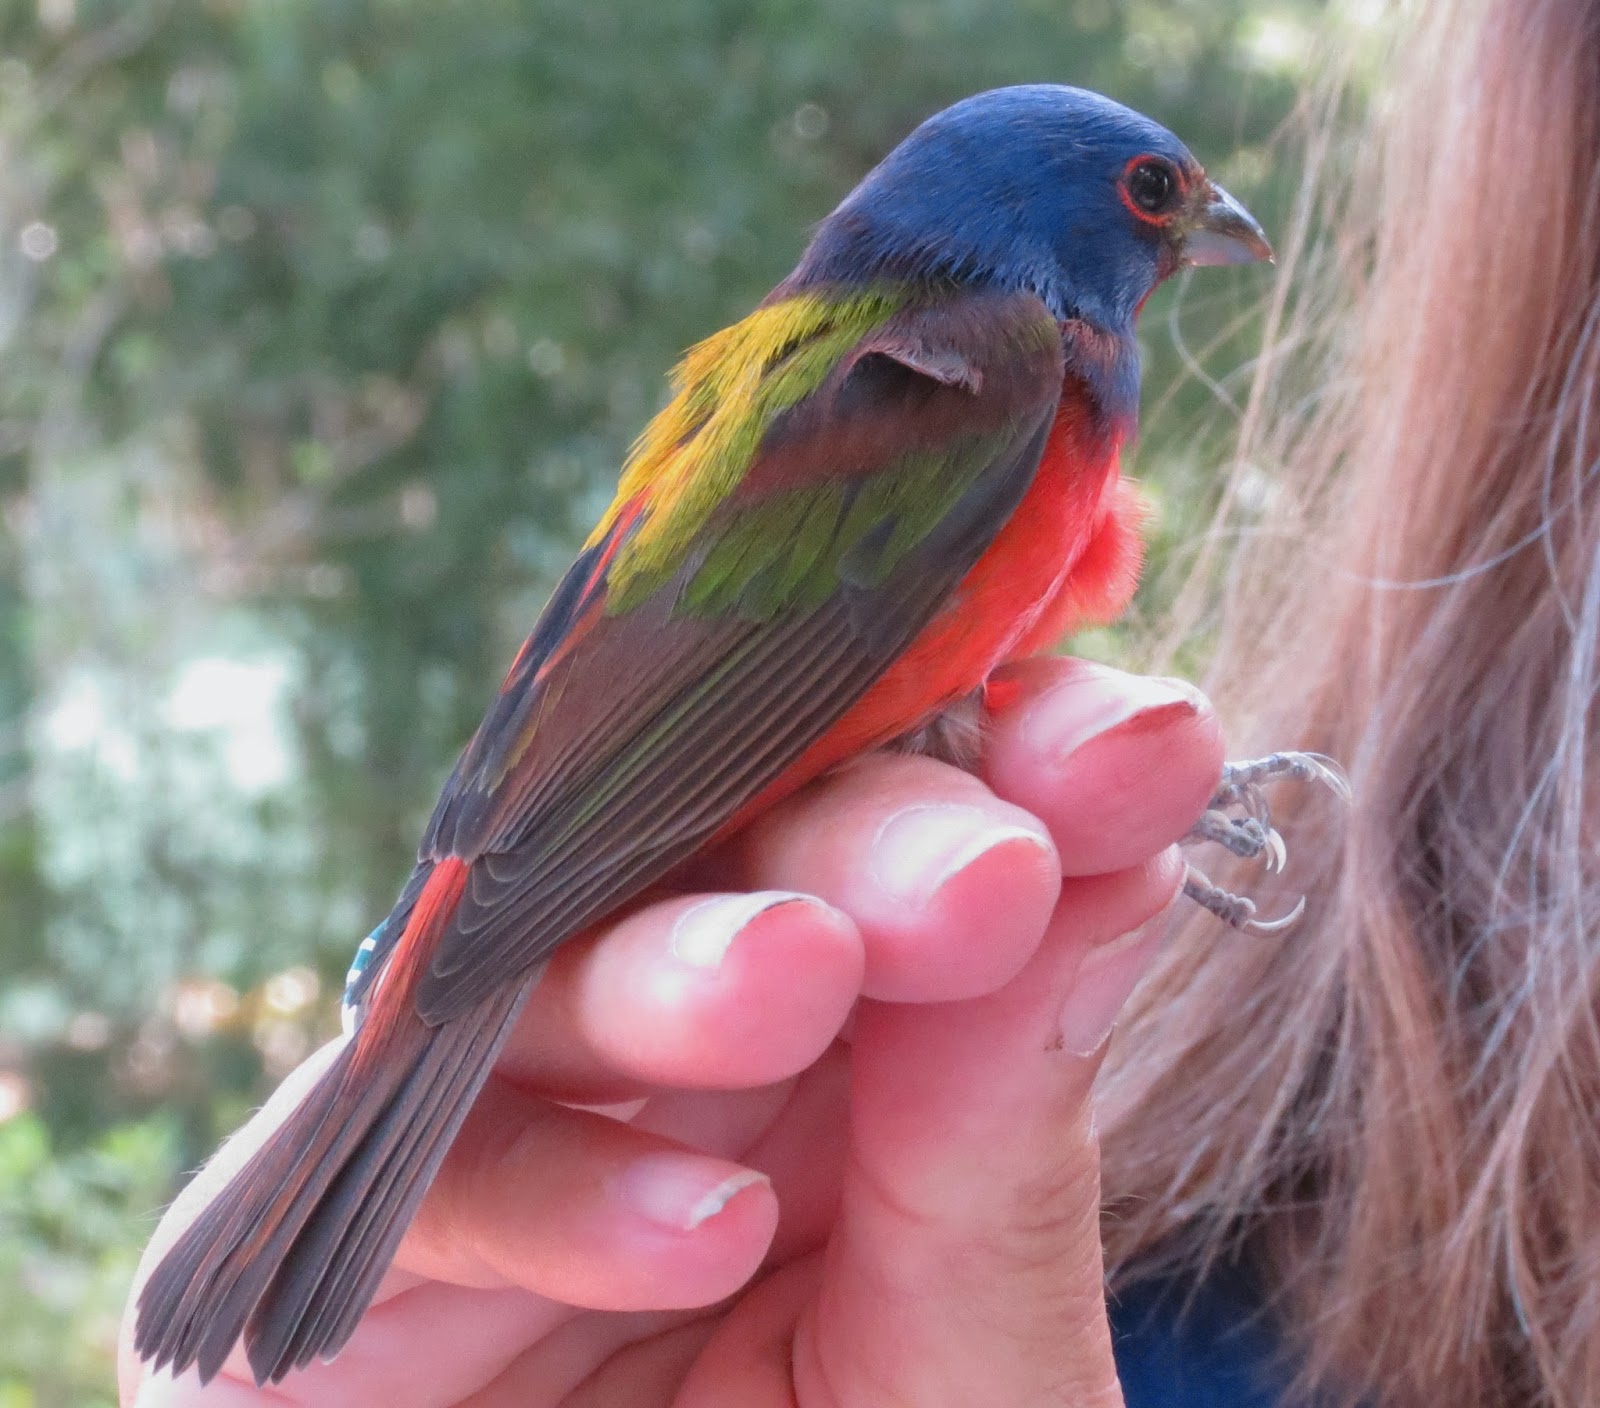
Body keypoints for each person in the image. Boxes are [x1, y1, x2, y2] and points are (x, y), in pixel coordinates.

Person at [118, 0, 1600, 1401]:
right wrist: (481, 912)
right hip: (627, 778)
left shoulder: (916, 368)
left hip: (594, 775)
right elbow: (785, 675)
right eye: (1159, 194)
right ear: (1038, 201)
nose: (1211, 225)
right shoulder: (988, 369)